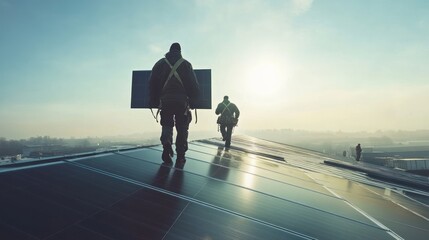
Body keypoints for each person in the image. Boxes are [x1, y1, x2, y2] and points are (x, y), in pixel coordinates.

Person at [149, 42, 200, 168]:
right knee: (182, 127)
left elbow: (152, 83)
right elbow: (193, 84)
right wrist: (194, 101)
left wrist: (154, 100)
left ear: (169, 50)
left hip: (165, 101)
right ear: (180, 51)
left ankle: (166, 144)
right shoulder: (186, 64)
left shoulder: (160, 64)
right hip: (181, 102)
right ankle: (181, 155)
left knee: (166, 124)